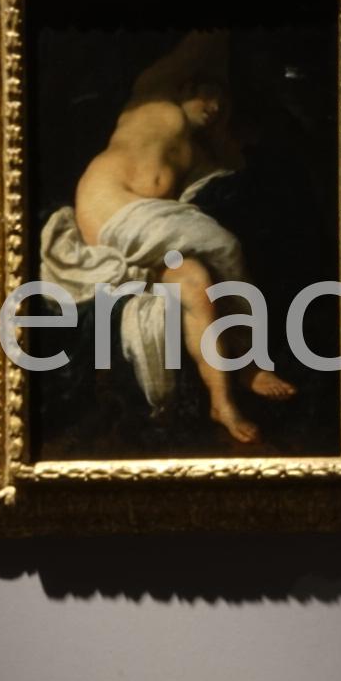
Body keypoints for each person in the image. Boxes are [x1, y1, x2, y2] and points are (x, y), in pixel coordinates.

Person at [40, 34, 294, 444]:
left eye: (223, 104)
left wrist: (224, 124)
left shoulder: (200, 154)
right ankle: (246, 359)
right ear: (186, 86)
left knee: (195, 282)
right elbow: (207, 40)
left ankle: (222, 402)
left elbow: (236, 160)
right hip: (110, 206)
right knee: (224, 245)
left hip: (146, 229)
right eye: (208, 95)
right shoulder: (154, 98)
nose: (214, 107)